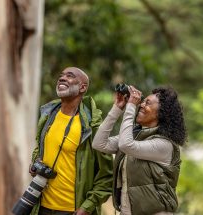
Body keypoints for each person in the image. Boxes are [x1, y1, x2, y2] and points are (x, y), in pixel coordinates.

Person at [30, 67, 113, 215]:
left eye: (70, 76)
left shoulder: (91, 127)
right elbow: (41, 149)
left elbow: (107, 177)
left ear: (82, 87)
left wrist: (87, 207)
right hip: (41, 206)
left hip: (72, 210)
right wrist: (35, 162)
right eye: (61, 75)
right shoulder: (48, 116)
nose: (62, 78)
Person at [92, 85, 187, 215]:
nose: (141, 105)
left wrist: (130, 106)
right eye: (142, 101)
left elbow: (126, 146)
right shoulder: (136, 136)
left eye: (147, 103)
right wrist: (117, 108)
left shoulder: (164, 145)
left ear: (162, 113)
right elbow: (99, 144)